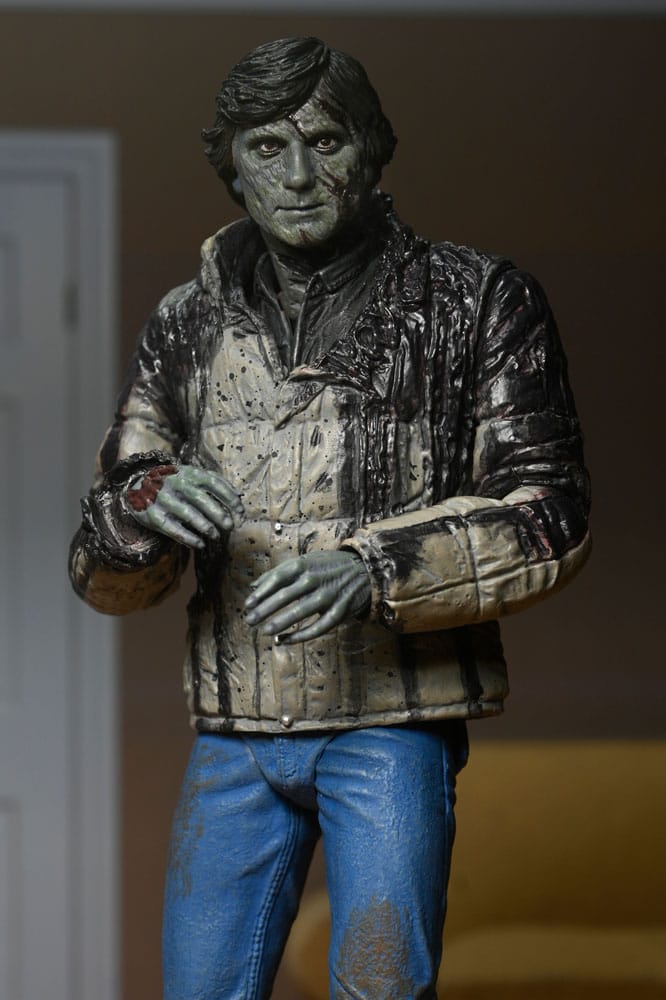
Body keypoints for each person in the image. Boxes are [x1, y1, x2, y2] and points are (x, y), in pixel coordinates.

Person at [69, 36, 591, 1000]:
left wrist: (377, 567)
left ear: (373, 149)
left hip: (392, 721)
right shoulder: (185, 322)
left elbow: (551, 513)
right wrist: (141, 508)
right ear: (232, 166)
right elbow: (107, 575)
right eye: (268, 147)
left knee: (380, 988)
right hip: (235, 727)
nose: (299, 175)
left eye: (325, 140)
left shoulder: (477, 300)